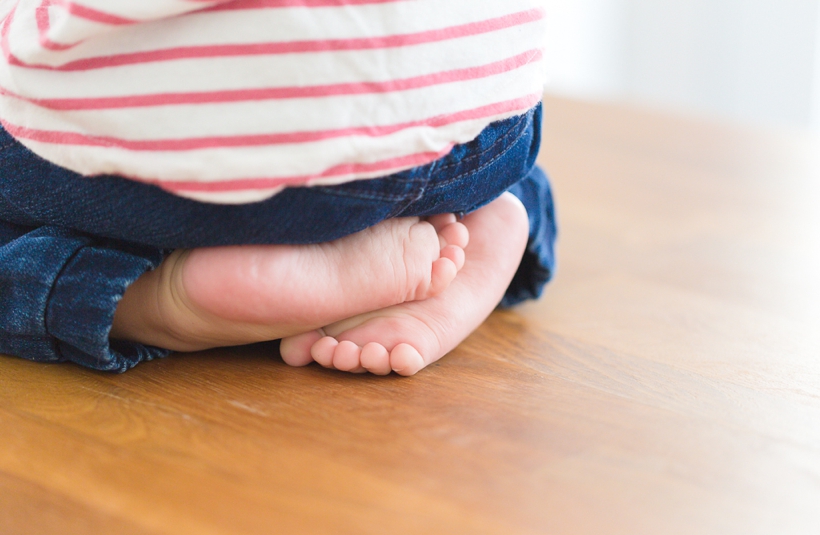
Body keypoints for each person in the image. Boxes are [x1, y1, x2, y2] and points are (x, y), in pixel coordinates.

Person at [0, 0, 556, 375]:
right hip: (482, 123)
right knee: (467, 134)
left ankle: (150, 297)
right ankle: (492, 211)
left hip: (239, 148)